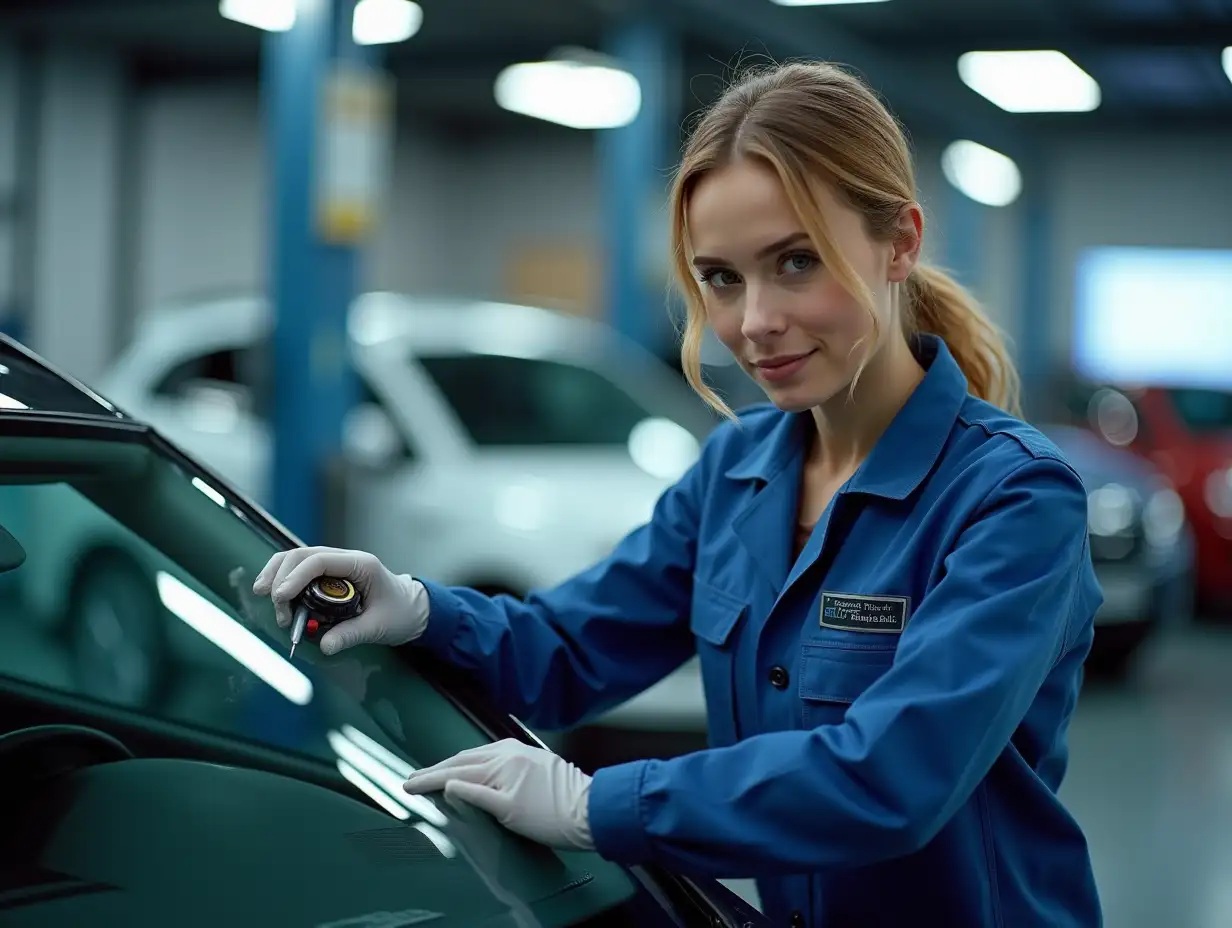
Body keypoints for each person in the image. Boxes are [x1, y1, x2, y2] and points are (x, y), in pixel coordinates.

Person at [254, 61, 1104, 928]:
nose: (753, 322)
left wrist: (597, 807)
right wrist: (421, 610)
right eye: (722, 279)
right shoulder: (735, 473)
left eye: (796, 262)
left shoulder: (1012, 498)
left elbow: (893, 776)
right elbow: (568, 647)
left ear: (900, 242)